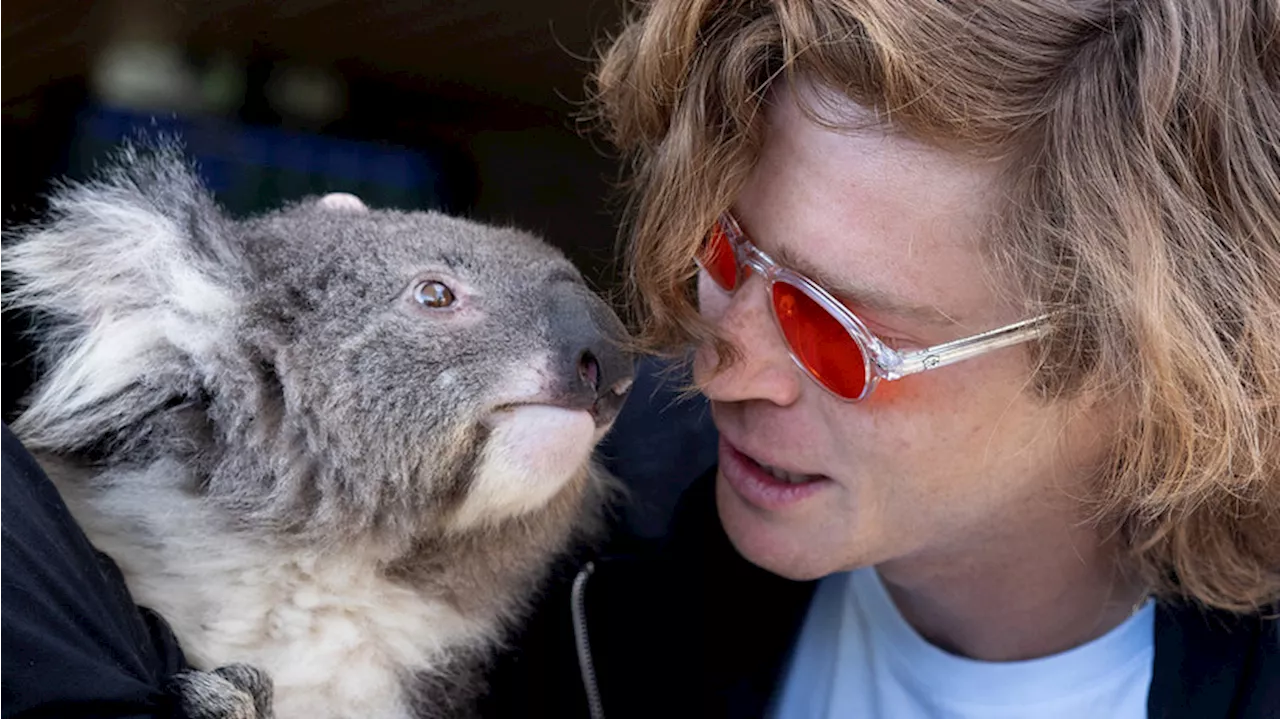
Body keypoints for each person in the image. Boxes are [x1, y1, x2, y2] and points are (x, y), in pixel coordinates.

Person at [479, 1, 1280, 717]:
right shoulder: (573, 532)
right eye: (721, 248)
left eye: (838, 331)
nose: (722, 369)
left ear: (1149, 360)